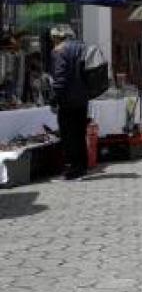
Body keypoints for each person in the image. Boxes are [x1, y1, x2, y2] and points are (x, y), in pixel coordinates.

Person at [49, 25, 89, 181]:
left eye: (53, 38)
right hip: (83, 98)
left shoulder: (59, 50)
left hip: (67, 100)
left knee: (68, 135)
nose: (53, 41)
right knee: (79, 133)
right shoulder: (82, 47)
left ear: (58, 37)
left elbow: (60, 79)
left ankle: (72, 171)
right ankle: (82, 167)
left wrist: (54, 99)